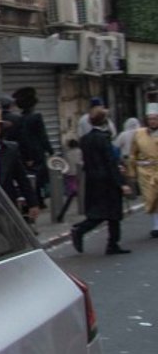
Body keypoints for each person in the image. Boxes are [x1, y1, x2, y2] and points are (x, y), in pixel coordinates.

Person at [71, 105, 131, 255]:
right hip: (108, 181)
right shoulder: (104, 139)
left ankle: (109, 243)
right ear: (104, 121)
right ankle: (107, 241)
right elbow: (110, 162)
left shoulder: (85, 139)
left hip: (92, 180)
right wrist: (121, 183)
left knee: (100, 212)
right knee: (112, 214)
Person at [12, 86, 54, 205]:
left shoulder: (20, 119)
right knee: (38, 179)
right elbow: (42, 136)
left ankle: (36, 199)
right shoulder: (36, 117)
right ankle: (38, 200)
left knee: (31, 178)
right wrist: (51, 151)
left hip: (27, 153)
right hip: (36, 153)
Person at [130, 102, 158, 239]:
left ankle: (156, 226)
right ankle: (155, 225)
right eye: (150, 119)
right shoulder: (139, 134)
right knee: (151, 198)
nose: (152, 121)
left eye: (155, 118)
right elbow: (132, 154)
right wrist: (132, 172)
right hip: (146, 170)